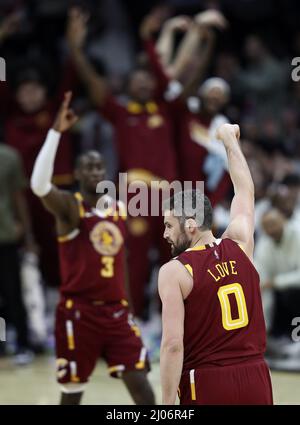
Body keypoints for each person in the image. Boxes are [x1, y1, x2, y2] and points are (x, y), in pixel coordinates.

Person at [30, 92, 155, 405]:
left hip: (116, 312)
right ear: (78, 174)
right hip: (79, 312)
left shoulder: (118, 210)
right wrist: (55, 133)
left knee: (141, 385)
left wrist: (128, 304)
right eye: (89, 167)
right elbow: (39, 186)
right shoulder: (70, 209)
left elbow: (122, 262)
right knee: (73, 393)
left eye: (100, 167)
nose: (96, 172)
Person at [66, 8, 177, 319]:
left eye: (147, 80)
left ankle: (165, 319)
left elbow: (167, 78)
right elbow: (93, 84)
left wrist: (148, 40)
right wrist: (76, 49)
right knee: (136, 261)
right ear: (128, 87)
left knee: (173, 260)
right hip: (136, 198)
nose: (143, 84)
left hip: (170, 196)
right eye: (137, 81)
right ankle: (134, 319)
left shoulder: (167, 110)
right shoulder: (120, 113)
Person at [158, 123, 273, 405]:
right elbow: (246, 190)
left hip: (207, 381)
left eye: (170, 226)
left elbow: (173, 346)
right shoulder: (241, 244)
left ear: (191, 226)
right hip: (256, 377)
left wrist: (166, 403)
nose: (165, 234)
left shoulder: (175, 271)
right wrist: (229, 139)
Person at [0, 142, 34, 364]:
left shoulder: (9, 156)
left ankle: (23, 344)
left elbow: (18, 197)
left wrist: (28, 235)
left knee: (13, 292)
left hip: (6, 235)